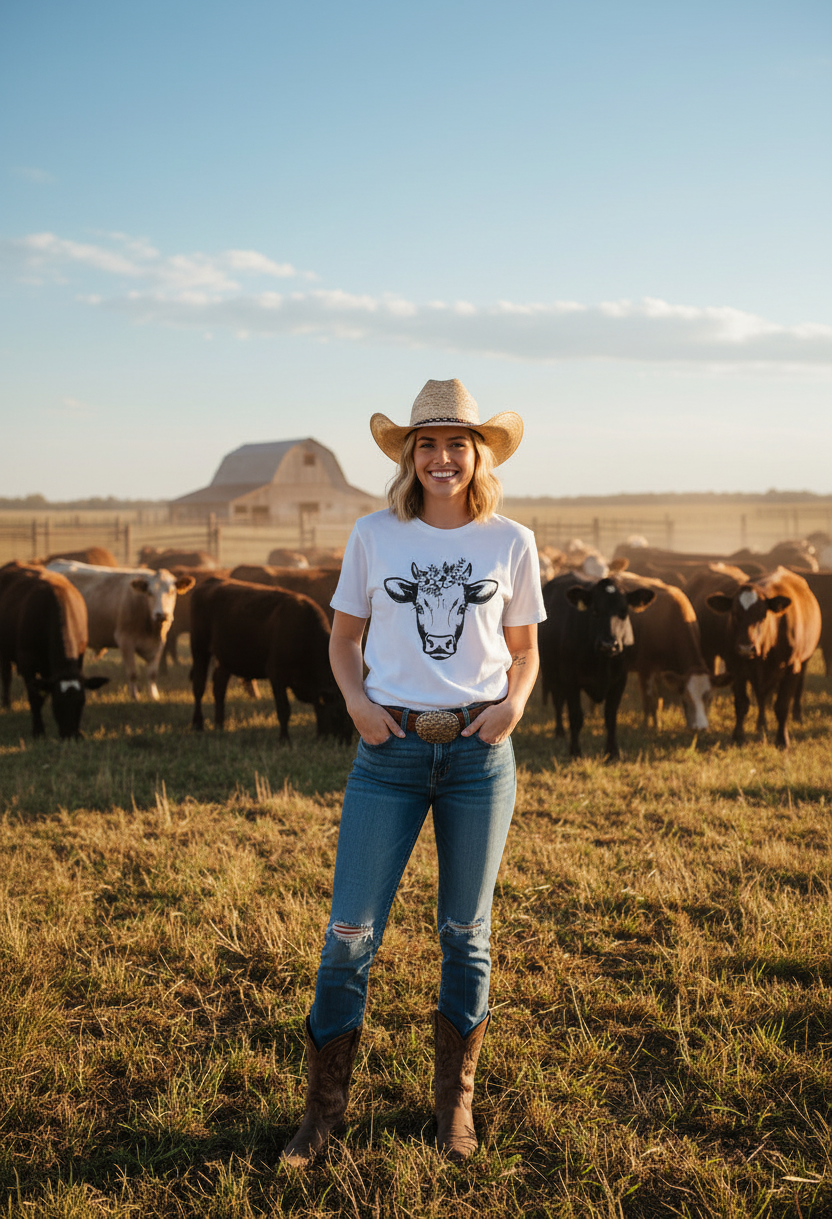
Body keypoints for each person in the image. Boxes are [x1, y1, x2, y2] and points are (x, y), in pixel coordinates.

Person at [281, 378, 545, 1167]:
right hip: (387, 753)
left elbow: (526, 652)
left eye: (456, 444)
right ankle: (322, 1116)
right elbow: (341, 639)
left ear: (479, 455)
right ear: (408, 455)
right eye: (425, 444)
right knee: (348, 934)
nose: (440, 457)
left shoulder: (511, 542)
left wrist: (513, 709)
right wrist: (359, 703)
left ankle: (453, 1114)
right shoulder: (373, 536)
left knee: (467, 935)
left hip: (478, 754)